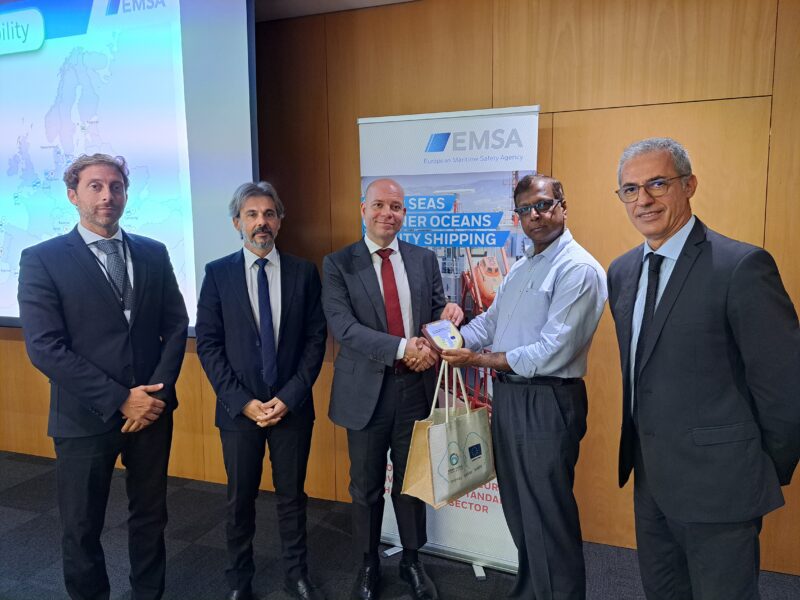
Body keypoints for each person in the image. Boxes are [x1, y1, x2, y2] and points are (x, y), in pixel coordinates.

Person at [608, 137, 800, 599]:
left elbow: (785, 387)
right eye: (630, 189)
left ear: (689, 185)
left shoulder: (741, 266)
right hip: (651, 483)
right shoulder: (622, 271)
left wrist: (758, 468)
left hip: (722, 488)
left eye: (657, 183)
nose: (644, 199)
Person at [17, 153, 189, 600]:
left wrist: (155, 396)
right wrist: (120, 398)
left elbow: (175, 325)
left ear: (126, 194)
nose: (107, 195)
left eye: (116, 186)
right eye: (95, 186)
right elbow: (44, 346)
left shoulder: (153, 252)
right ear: (72, 195)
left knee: (151, 517)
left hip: (151, 413)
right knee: (81, 526)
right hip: (83, 415)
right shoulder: (42, 259)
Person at [442, 174, 607, 600]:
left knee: (547, 514)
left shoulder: (578, 269)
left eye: (544, 204)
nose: (535, 215)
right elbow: (490, 322)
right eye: (525, 209)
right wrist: (450, 340)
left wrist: (475, 360)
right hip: (511, 396)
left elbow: (551, 351)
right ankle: (532, 591)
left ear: (563, 205)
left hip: (547, 400)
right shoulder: (522, 265)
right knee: (519, 507)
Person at [322, 178, 463, 600]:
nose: (388, 213)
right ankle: (368, 564)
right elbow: (344, 327)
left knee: (412, 482)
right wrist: (404, 348)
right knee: (365, 487)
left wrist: (448, 315)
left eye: (396, 207)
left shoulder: (423, 259)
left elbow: (435, 313)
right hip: (365, 393)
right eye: (380, 205)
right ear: (363, 209)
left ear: (405, 213)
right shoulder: (338, 264)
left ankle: (411, 560)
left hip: (413, 390)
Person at [195, 182, 327, 600]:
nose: (261, 222)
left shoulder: (304, 273)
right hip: (239, 411)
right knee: (239, 500)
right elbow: (208, 344)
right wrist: (241, 402)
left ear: (280, 220)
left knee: (292, 498)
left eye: (269, 213)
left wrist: (289, 397)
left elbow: (315, 341)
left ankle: (296, 575)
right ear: (237, 222)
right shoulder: (217, 273)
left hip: (292, 408)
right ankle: (240, 580)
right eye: (251, 215)